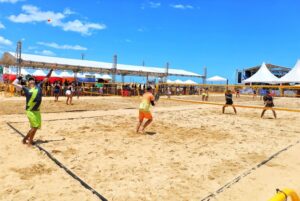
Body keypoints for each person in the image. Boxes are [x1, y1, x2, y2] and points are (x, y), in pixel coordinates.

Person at [12, 69, 53, 146]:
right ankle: (30, 142)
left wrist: (50, 71)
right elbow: (13, 83)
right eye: (30, 80)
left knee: (36, 127)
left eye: (32, 80)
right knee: (34, 127)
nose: (31, 81)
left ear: (34, 81)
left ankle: (24, 139)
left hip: (37, 111)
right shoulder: (25, 88)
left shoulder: (39, 86)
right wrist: (19, 77)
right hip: (30, 111)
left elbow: (46, 78)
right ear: (28, 82)